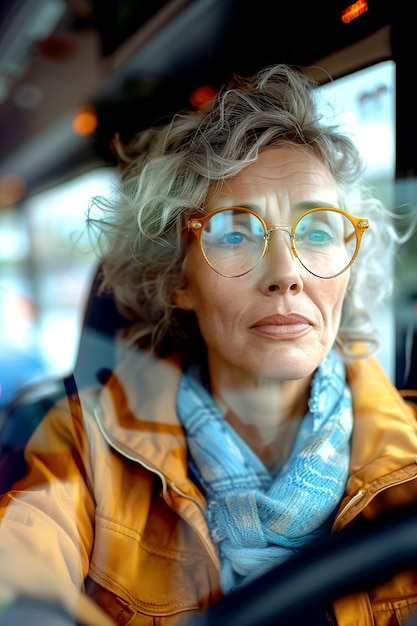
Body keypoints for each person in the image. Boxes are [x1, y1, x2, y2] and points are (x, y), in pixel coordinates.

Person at [0, 63, 417, 626]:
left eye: (317, 231)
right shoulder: (81, 444)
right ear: (178, 281)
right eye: (234, 233)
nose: (287, 274)